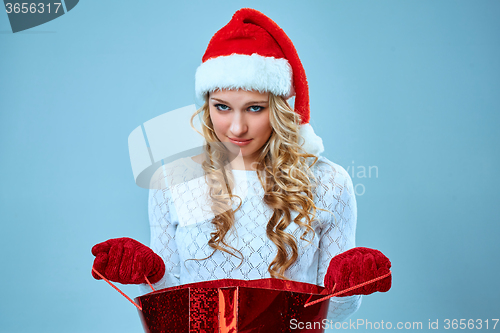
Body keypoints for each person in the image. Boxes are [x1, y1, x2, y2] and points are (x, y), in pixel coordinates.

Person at [91, 8, 391, 323]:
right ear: (206, 105)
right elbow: (173, 309)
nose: (236, 128)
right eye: (222, 107)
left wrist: (349, 285)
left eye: (254, 108)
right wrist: (147, 273)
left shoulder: (330, 181)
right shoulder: (172, 180)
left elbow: (332, 313)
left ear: (278, 109)